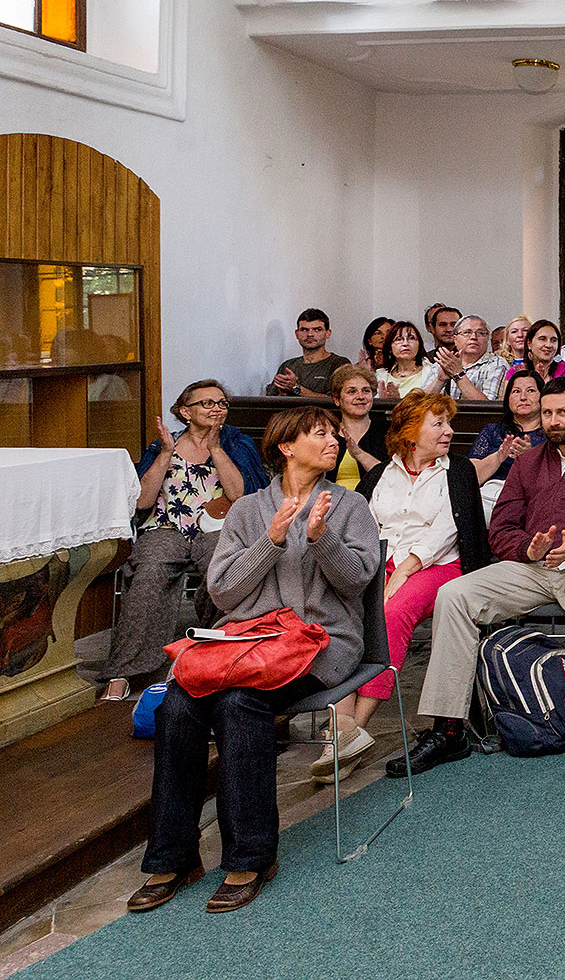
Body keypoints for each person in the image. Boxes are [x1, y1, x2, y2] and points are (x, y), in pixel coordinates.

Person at [128, 407, 380, 915]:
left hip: (321, 642)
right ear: (287, 446)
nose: (334, 442)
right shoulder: (247, 512)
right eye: (321, 434)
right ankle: (174, 857)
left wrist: (320, 537)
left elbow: (357, 581)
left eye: (334, 435)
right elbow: (221, 592)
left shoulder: (350, 506)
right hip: (248, 640)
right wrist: (271, 542)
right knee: (178, 705)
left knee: (240, 703)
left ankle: (251, 856)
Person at [388, 376, 565, 779]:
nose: (553, 421)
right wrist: (527, 550)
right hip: (530, 567)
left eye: (563, 412)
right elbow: (500, 529)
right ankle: (449, 728)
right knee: (455, 595)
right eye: (547, 413)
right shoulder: (526, 463)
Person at [318, 391, 490, 781]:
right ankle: (340, 727)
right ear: (411, 432)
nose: (448, 431)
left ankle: (357, 728)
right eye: (439, 424)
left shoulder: (457, 471)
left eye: (448, 423)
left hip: (438, 565)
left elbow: (448, 531)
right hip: (381, 560)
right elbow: (363, 523)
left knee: (391, 612)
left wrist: (404, 570)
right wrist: (373, 568)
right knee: (341, 610)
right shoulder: (381, 474)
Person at [91, 381, 268, 701]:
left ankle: (212, 658)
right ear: (185, 412)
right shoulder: (162, 446)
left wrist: (216, 449)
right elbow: (142, 501)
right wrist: (166, 454)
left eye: (222, 403)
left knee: (224, 572)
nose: (218, 408)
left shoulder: (236, 442)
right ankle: (124, 671)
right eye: (208, 403)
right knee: (148, 573)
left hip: (219, 530)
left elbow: (241, 496)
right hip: (165, 528)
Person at [469, 369, 545, 518]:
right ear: (508, 399)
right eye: (516, 392)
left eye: (530, 391)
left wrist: (530, 458)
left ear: (543, 396)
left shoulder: (552, 434)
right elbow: (470, 477)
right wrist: (498, 457)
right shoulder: (493, 431)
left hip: (533, 500)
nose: (523, 397)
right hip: (490, 496)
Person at [327, 363, 388, 489]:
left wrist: (359, 454)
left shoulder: (388, 432)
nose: (360, 397)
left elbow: (392, 479)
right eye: (352, 391)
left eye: (366, 391)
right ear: (337, 399)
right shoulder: (327, 435)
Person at [266, 308, 350, 396]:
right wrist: (282, 394)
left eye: (317, 329)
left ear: (328, 333)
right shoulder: (288, 366)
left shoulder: (339, 364)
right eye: (304, 330)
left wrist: (296, 388)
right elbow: (270, 401)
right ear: (296, 334)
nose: (310, 334)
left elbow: (339, 400)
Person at [435, 313, 506, 400]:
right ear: (455, 339)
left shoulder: (497, 364)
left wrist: (458, 374)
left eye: (480, 333)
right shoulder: (446, 362)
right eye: (467, 332)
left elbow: (488, 408)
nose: (473, 337)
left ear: (488, 339)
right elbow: (419, 404)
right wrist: (439, 380)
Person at [375, 321, 441, 398]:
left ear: (419, 345)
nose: (405, 343)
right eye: (398, 339)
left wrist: (396, 403)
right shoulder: (380, 375)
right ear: (390, 347)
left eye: (411, 338)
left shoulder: (433, 372)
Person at [507, 318, 565, 384]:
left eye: (553, 340)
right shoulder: (515, 371)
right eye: (542, 339)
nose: (548, 345)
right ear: (529, 344)